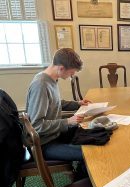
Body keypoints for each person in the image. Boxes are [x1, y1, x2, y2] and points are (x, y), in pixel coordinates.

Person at [26, 48, 90, 179]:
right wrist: (67, 121)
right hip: (43, 144)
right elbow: (36, 126)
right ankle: (78, 184)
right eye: (71, 72)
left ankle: (75, 171)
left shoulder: (51, 79)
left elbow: (55, 102)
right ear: (61, 68)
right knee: (88, 155)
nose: (72, 75)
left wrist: (77, 103)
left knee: (90, 133)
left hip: (54, 135)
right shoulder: (41, 85)